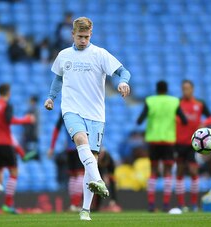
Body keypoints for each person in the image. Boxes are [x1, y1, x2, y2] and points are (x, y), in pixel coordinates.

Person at [44, 17, 131, 221]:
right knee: (80, 140)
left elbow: (123, 71)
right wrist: (51, 98)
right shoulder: (64, 55)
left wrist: (123, 82)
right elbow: (58, 78)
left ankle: (85, 210)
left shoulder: (100, 54)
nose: (83, 40)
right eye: (80, 36)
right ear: (72, 34)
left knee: (90, 161)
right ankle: (99, 180)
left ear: (91, 35)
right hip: (72, 109)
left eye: (86, 36)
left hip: (96, 114)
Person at [136, 80, 187, 212]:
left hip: (153, 141)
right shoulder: (174, 101)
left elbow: (139, 121)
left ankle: (151, 205)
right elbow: (185, 121)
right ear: (167, 89)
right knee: (167, 172)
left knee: (153, 172)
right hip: (168, 141)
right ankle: (165, 205)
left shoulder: (150, 101)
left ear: (156, 89)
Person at [0, 84, 35, 215]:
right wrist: (26, 119)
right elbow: (9, 120)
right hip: (5, 142)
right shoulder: (6, 105)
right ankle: (8, 204)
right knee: (14, 171)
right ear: (8, 93)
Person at [175, 80, 211, 211]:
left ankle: (193, 204)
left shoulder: (199, 104)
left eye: (188, 88)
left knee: (193, 172)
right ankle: (181, 204)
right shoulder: (177, 104)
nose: (185, 91)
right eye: (183, 88)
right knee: (180, 172)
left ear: (192, 89)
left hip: (194, 144)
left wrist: (204, 122)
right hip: (179, 142)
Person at [48, 113, 84, 212]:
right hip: (80, 146)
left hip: (69, 149)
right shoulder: (81, 108)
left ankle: (73, 204)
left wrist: (52, 147)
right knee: (80, 174)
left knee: (73, 176)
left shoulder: (64, 110)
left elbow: (56, 129)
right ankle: (76, 204)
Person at [93, 147, 122, 212]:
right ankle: (97, 205)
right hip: (99, 173)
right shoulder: (94, 159)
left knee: (112, 183)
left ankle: (113, 202)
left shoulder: (108, 158)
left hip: (109, 172)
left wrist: (108, 177)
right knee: (98, 185)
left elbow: (111, 171)